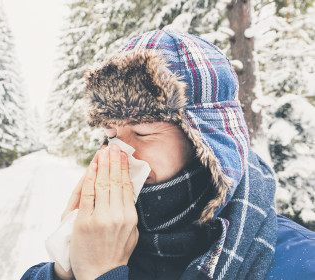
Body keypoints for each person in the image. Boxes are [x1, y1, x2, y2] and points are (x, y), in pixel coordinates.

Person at [21, 30, 315, 280]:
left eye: (144, 133)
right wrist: (67, 265)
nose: (122, 155)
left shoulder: (298, 261)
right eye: (111, 135)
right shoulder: (108, 232)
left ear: (207, 141)